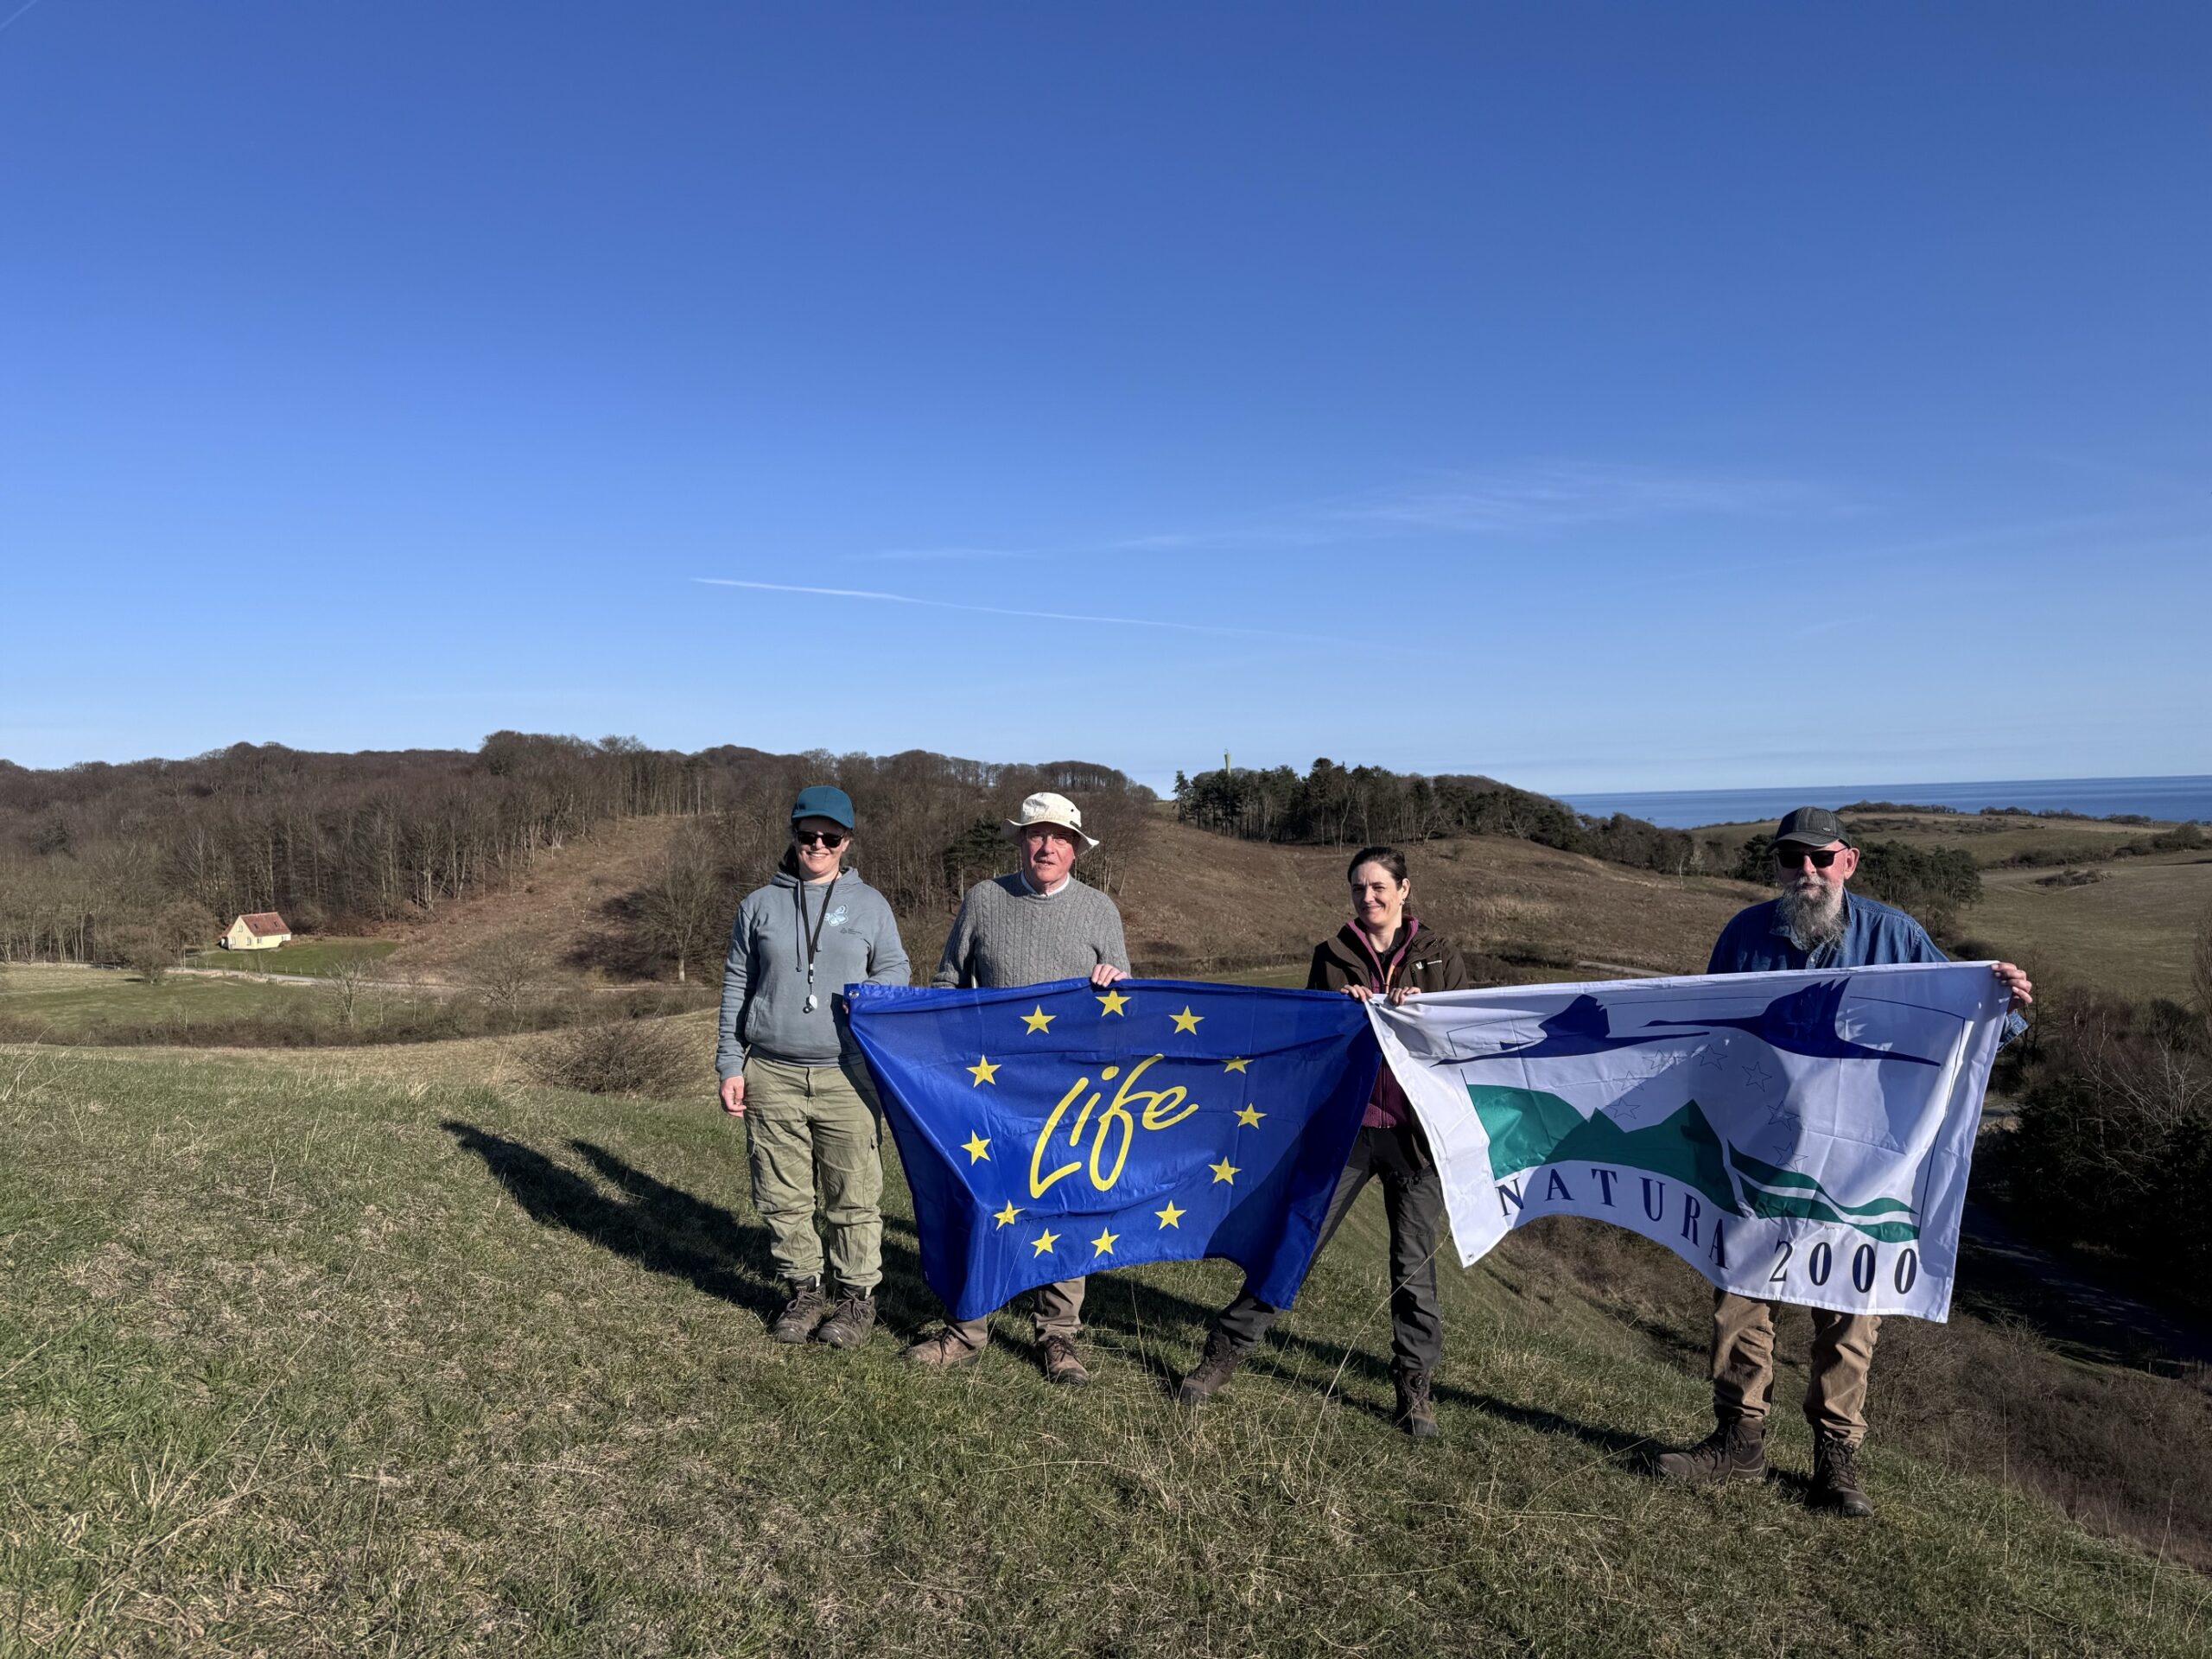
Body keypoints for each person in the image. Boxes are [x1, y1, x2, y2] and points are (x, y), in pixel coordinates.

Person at [1656, 804, 2033, 1517]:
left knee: (1851, 1308)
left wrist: (2004, 1006)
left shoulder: (1895, 935)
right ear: (1774, 867)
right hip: (1759, 1154)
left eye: (1820, 859)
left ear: (1848, 863)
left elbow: (1966, 1023)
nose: (1807, 873)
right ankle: (1738, 1443)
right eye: (1792, 860)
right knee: (1741, 1298)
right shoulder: (1742, 936)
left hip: (1862, 1163)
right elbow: (1707, 1035)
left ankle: (1836, 1464)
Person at [1176, 844, 1471, 1437]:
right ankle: (1225, 1353)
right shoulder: (1331, 956)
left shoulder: (1441, 957)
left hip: (1415, 1138)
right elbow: (1307, 1040)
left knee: (1414, 1269)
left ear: (1404, 890)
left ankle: (1415, 1389)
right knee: (1296, 1244)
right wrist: (1335, 1012)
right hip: (1348, 1130)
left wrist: (1427, 1014)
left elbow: (1463, 1038)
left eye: (1380, 886)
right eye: (1359, 888)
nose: (1369, 897)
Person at [903, 791, 1130, 1384]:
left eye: (1060, 837)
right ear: (1021, 842)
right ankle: (966, 1330)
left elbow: (1125, 998)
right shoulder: (984, 898)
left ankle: (1058, 1338)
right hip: (990, 1091)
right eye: (1037, 835)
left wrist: (1115, 982)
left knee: (1066, 1206)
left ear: (1076, 849)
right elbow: (949, 980)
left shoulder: (1100, 909)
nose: (1047, 846)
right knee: (982, 1205)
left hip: (1069, 1093)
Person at [717, 785, 911, 1350]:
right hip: (771, 1071)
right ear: (794, 837)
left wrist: (868, 993)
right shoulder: (758, 905)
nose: (818, 845)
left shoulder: (870, 904)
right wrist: (731, 1063)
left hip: (847, 1073)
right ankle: (804, 1290)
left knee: (854, 1192)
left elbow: (896, 966)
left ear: (847, 841)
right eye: (808, 836)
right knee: (783, 1194)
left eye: (830, 837)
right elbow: (736, 984)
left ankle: (856, 1300)